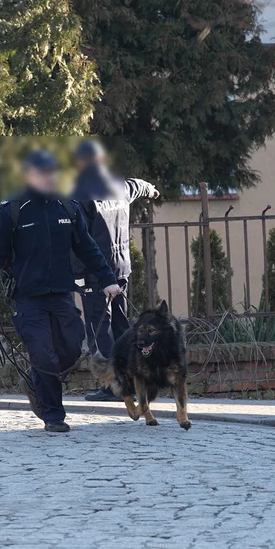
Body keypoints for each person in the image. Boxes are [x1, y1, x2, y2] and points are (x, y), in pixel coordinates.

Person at [0, 149, 121, 433]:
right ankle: (53, 414)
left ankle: (35, 381)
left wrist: (107, 279)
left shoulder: (67, 207)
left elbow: (88, 248)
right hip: (28, 298)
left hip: (62, 293)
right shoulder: (13, 210)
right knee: (43, 355)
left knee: (70, 348)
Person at [70, 139, 159, 402]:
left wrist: (76, 273)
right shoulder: (119, 186)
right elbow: (138, 185)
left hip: (95, 271)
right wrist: (152, 190)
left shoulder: (80, 194)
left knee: (100, 328)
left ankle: (113, 385)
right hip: (121, 268)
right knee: (121, 324)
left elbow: (77, 238)